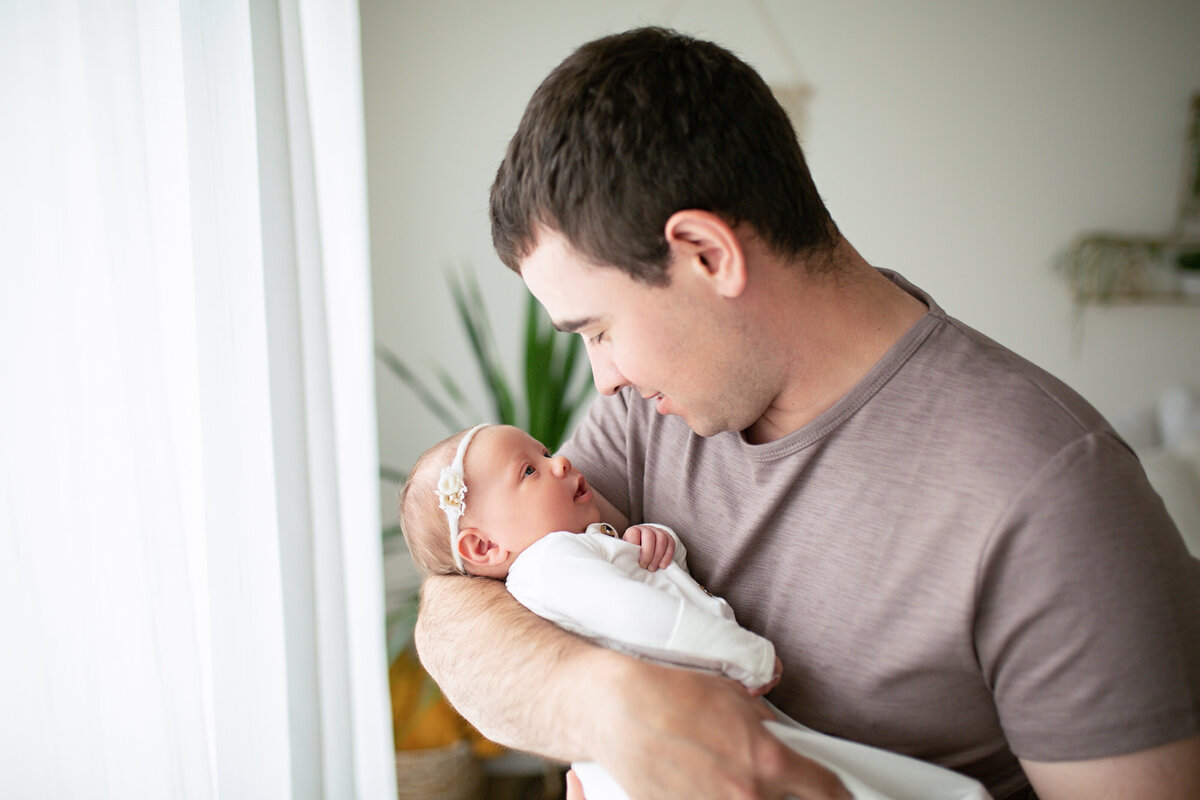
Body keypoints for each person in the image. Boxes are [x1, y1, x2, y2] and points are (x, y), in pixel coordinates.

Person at [414, 26, 1200, 800]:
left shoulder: (1052, 494)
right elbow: (456, 607)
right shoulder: (648, 417)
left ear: (707, 255)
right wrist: (614, 710)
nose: (605, 377)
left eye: (600, 329)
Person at [400, 423, 991, 800]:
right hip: (689, 727)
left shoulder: (572, 545)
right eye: (529, 471)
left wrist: (657, 542)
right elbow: (635, 614)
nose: (559, 463)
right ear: (481, 549)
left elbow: (650, 577)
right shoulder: (547, 562)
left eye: (545, 451)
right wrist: (741, 652)